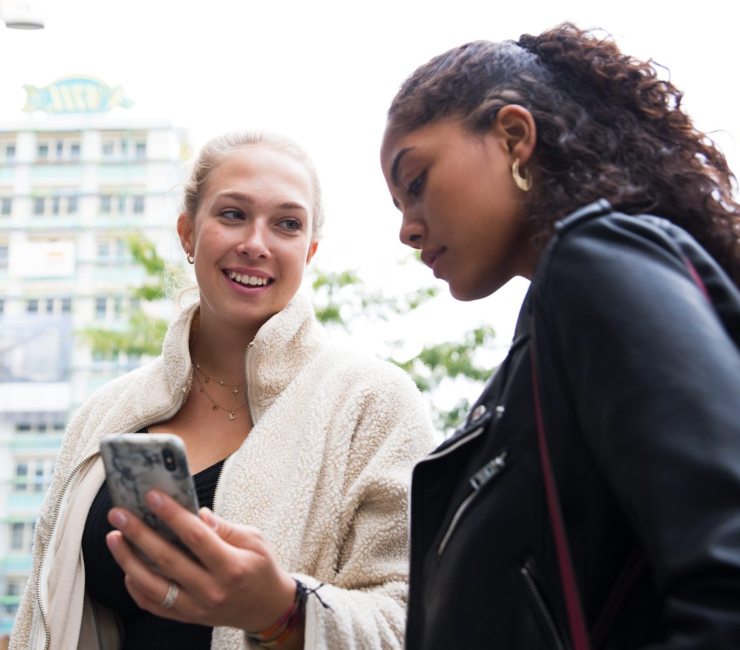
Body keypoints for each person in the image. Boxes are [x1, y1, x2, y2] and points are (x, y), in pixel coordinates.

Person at [379, 23, 740, 649]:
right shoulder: (534, 356)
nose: (407, 230)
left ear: (514, 136)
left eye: (415, 182)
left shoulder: (595, 260)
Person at [11, 131, 435, 649]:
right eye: (232, 214)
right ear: (188, 233)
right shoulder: (104, 414)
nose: (256, 244)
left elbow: (416, 621)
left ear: (310, 251)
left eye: (287, 224)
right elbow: (41, 608)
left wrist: (282, 608)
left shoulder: (374, 403)